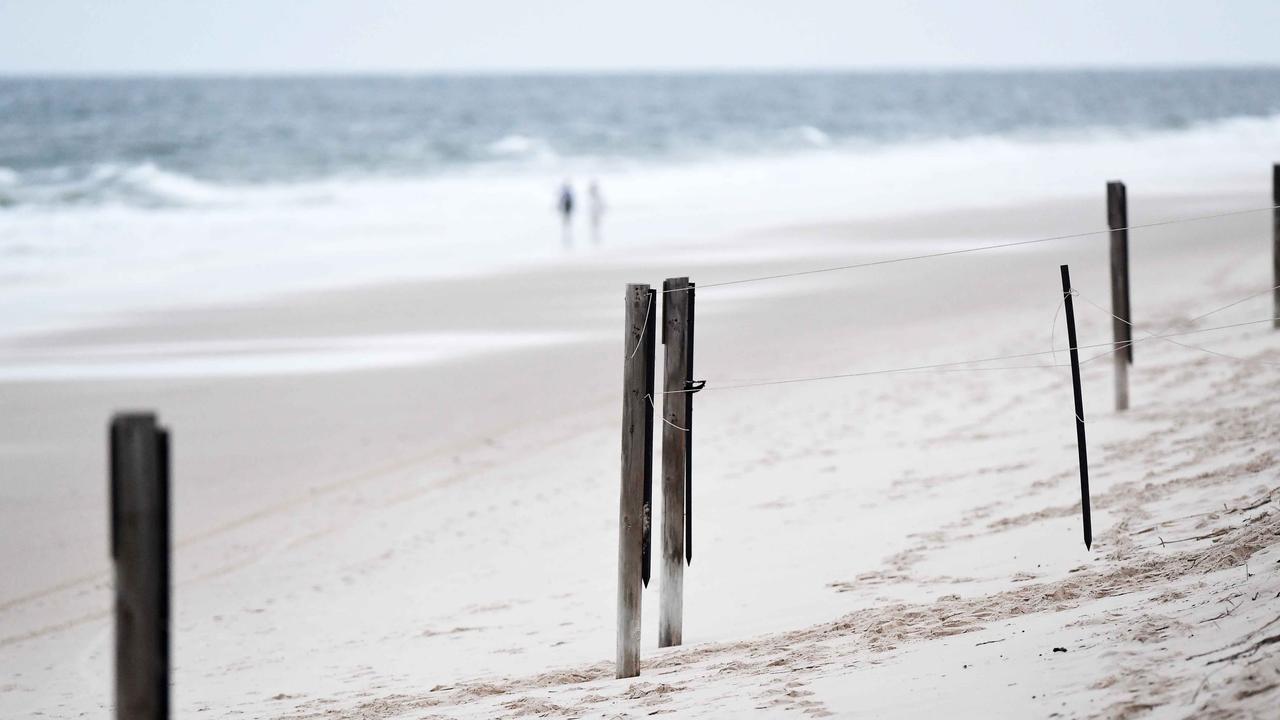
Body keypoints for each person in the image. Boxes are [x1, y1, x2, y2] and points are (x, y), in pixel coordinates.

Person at [588, 179, 605, 244]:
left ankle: (596, 237)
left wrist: (601, 211)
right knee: (594, 225)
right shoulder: (592, 196)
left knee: (596, 225)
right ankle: (595, 236)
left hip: (596, 213)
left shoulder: (597, 196)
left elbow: (601, 204)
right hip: (593, 213)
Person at [558, 180, 575, 247]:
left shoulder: (567, 195)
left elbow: (571, 203)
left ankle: (567, 235)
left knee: (567, 222)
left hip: (567, 210)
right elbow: (561, 202)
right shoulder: (566, 195)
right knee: (566, 222)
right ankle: (566, 235)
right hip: (566, 210)